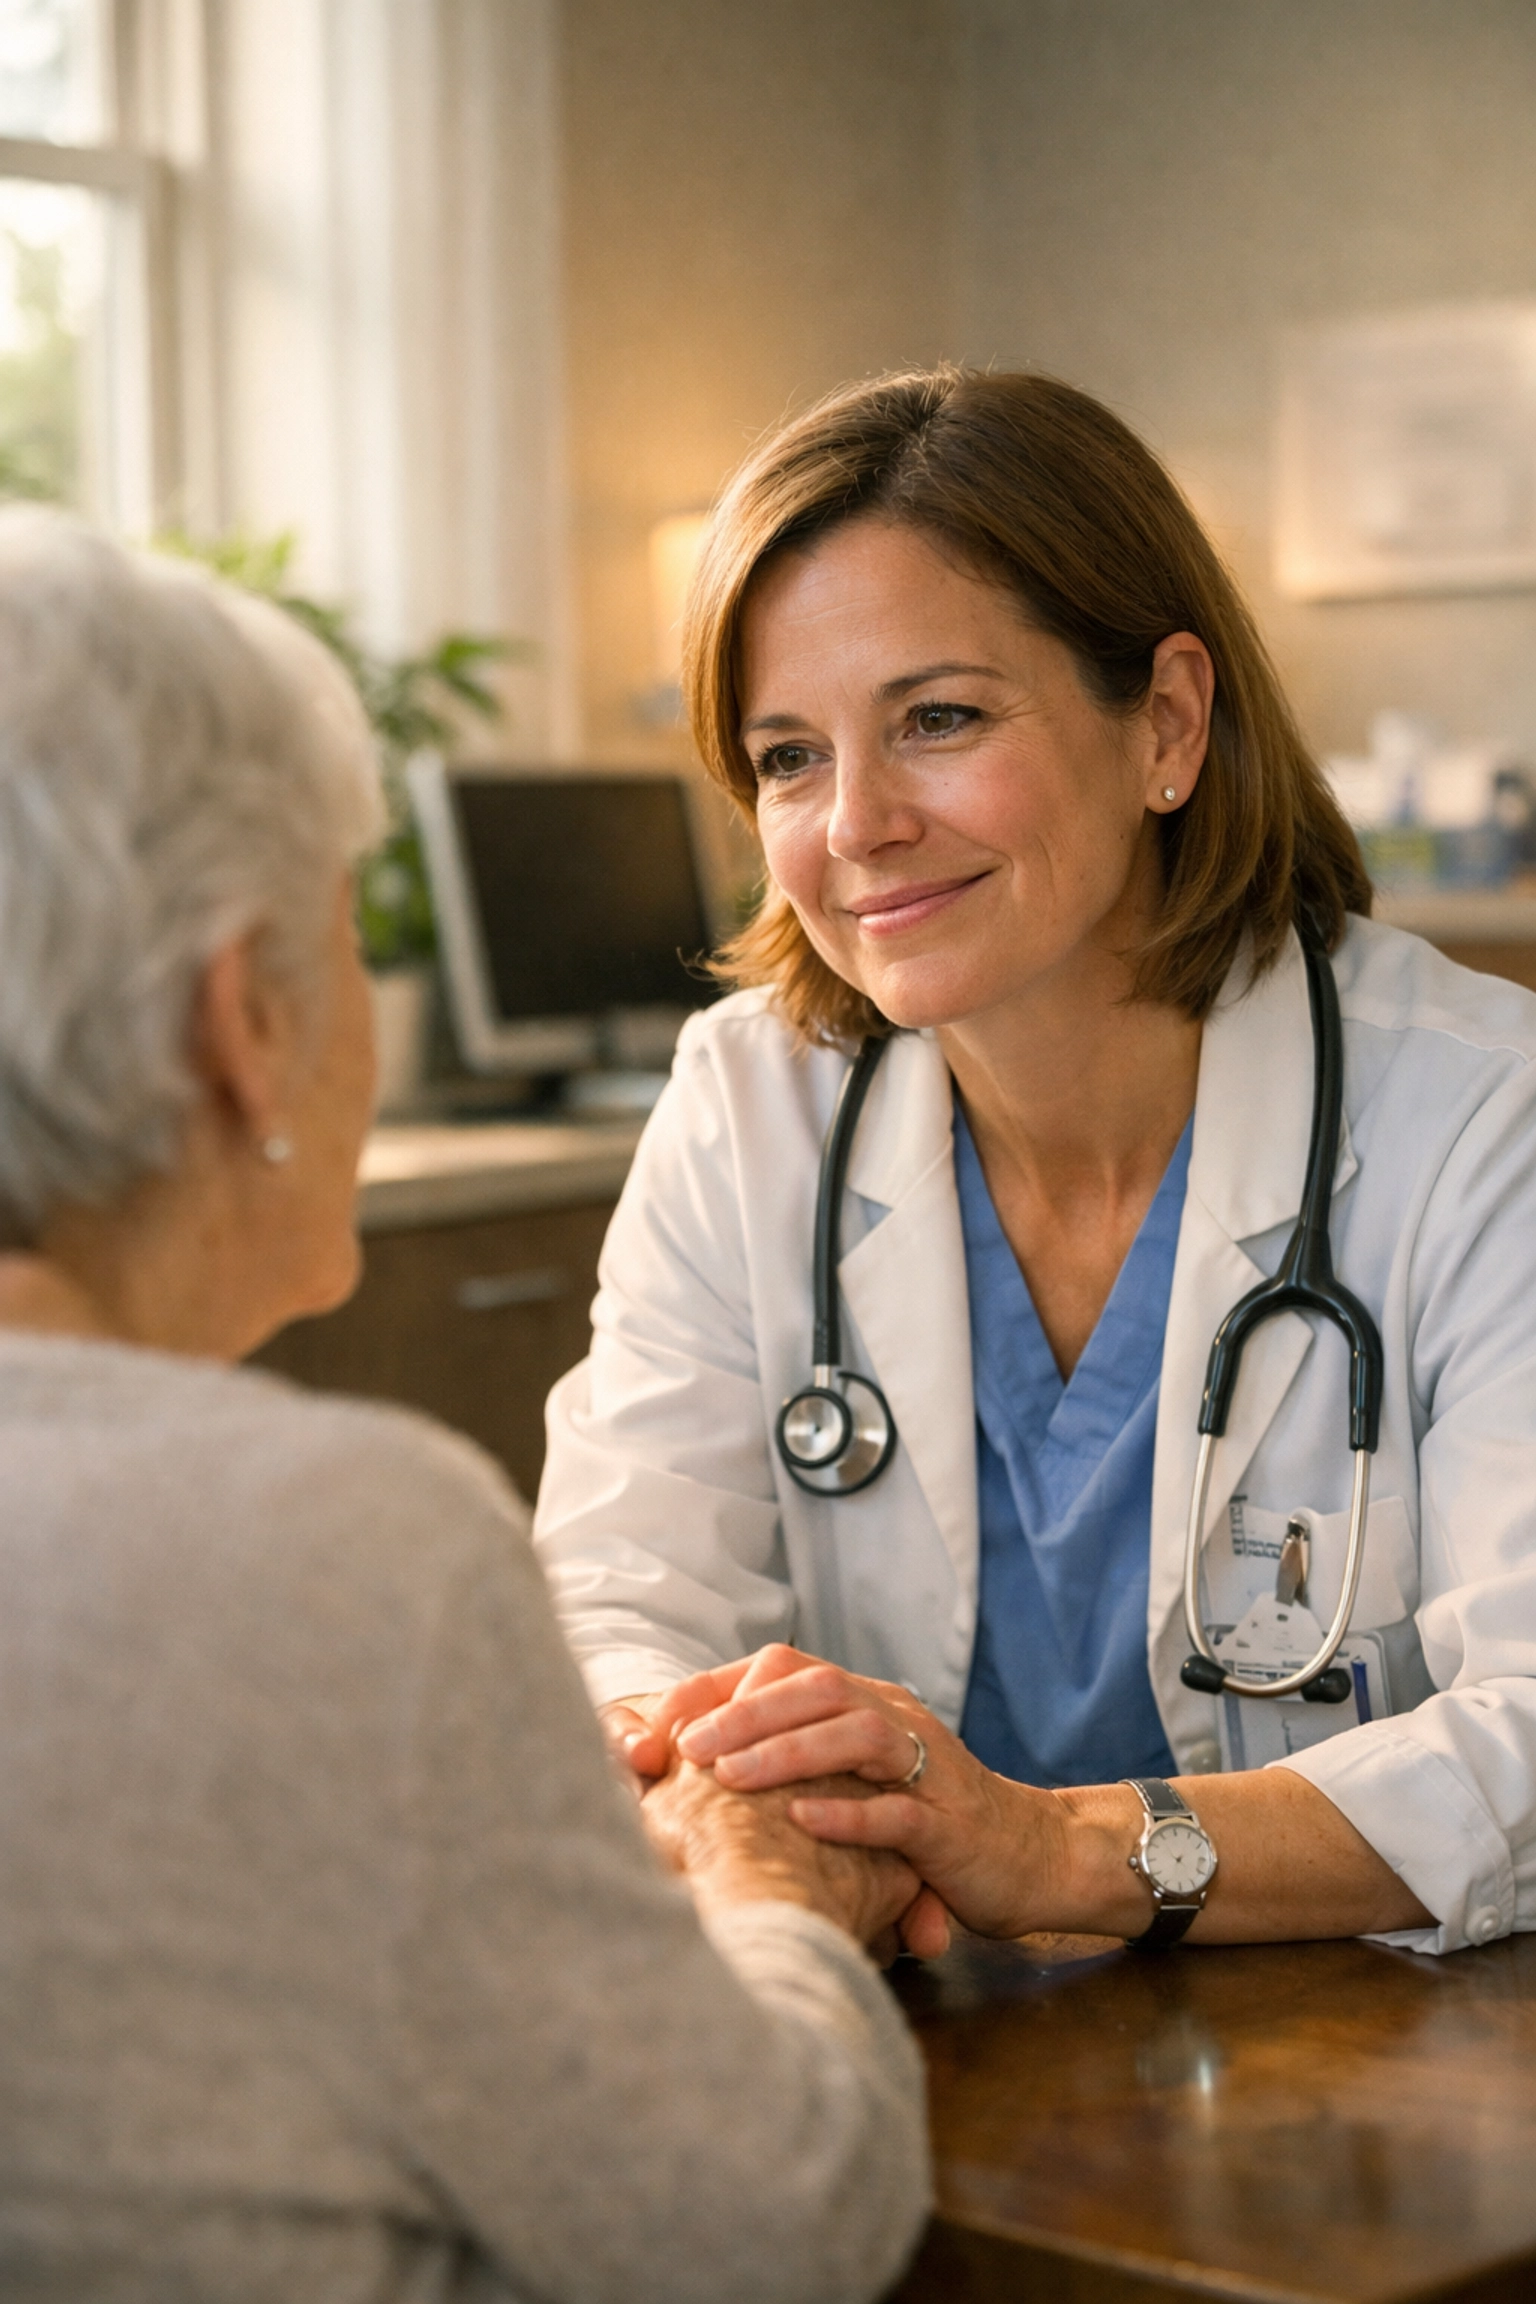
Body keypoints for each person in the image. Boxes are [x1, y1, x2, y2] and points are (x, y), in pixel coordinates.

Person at [0, 507, 930, 2303]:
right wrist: (768, 1895)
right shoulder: (332, 1546)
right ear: (242, 1027)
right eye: (345, 940)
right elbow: (766, 2219)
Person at [534, 365, 1536, 1961]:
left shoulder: (1482, 1119)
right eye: (789, 755)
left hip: (1384, 2082)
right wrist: (731, 1796)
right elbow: (617, 1598)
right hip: (906, 2024)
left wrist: (1053, 1853)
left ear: (1168, 723)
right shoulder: (752, 1103)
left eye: (938, 719)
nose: (856, 823)